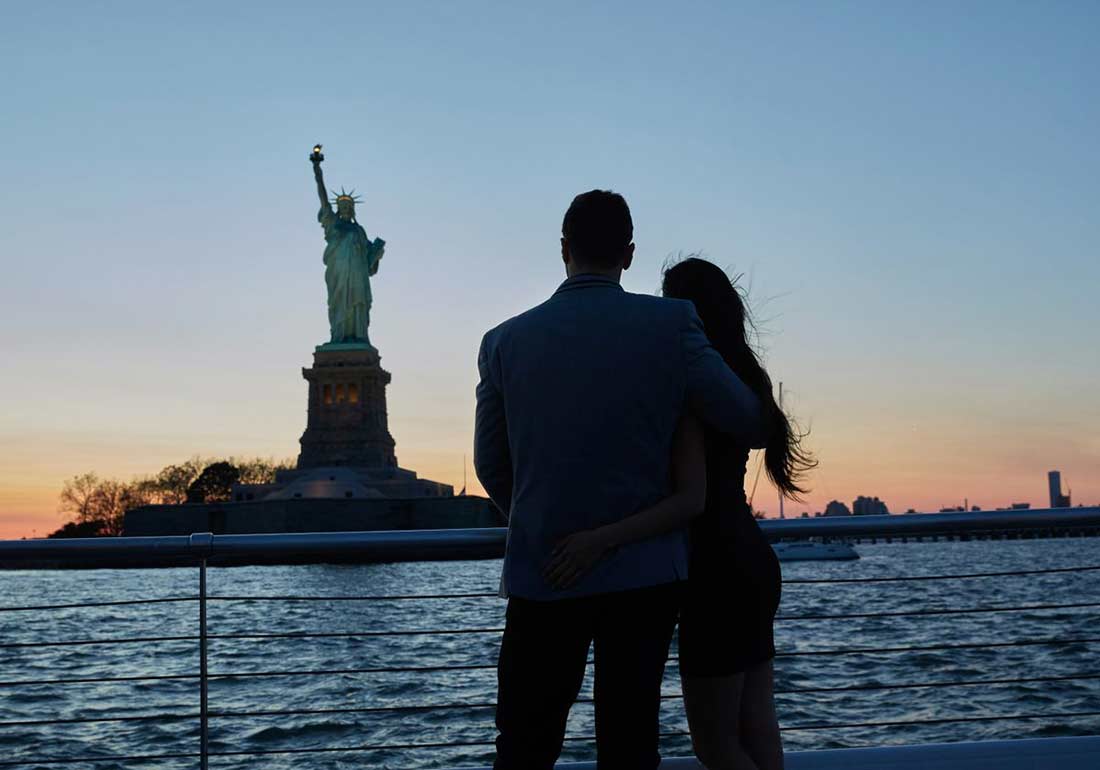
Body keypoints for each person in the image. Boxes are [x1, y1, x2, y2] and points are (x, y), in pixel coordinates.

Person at [474, 193, 768, 770]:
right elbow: (749, 423)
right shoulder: (671, 326)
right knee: (630, 744)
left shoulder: (503, 341)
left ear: (563, 249)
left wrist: (545, 527)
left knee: (524, 746)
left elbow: (491, 465)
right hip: (645, 578)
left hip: (544, 573)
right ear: (629, 255)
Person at [545, 256, 817, 770]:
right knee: (757, 726)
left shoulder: (690, 391)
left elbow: (691, 500)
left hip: (715, 575)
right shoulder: (740, 377)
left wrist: (599, 538)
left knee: (715, 746)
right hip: (753, 564)